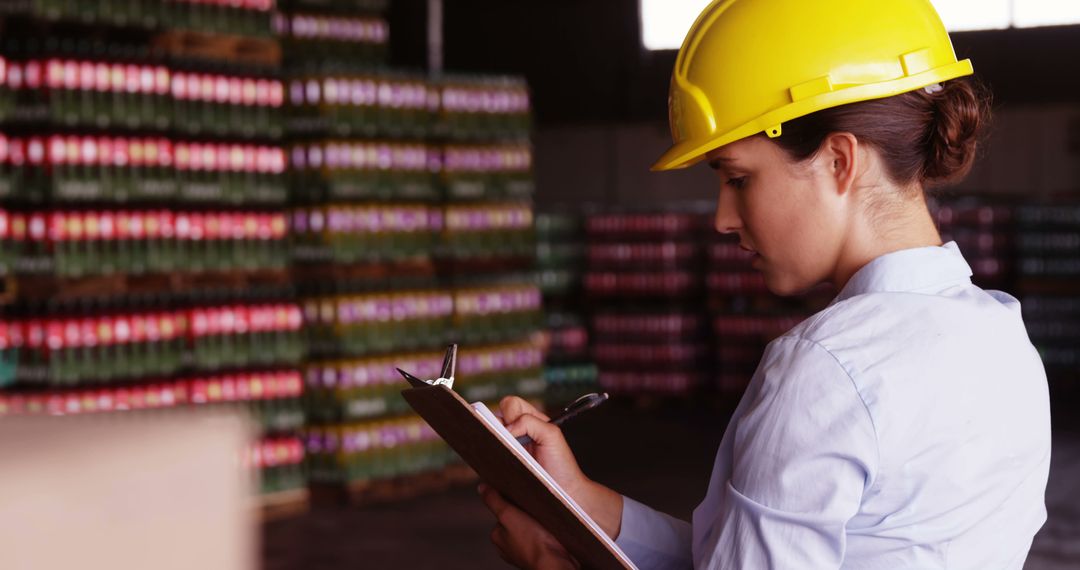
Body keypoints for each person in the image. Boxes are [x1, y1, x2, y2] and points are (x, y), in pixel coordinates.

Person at [478, 0, 1052, 568]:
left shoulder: (826, 369)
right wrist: (578, 502)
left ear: (838, 162)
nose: (723, 218)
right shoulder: (1005, 342)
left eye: (738, 178)